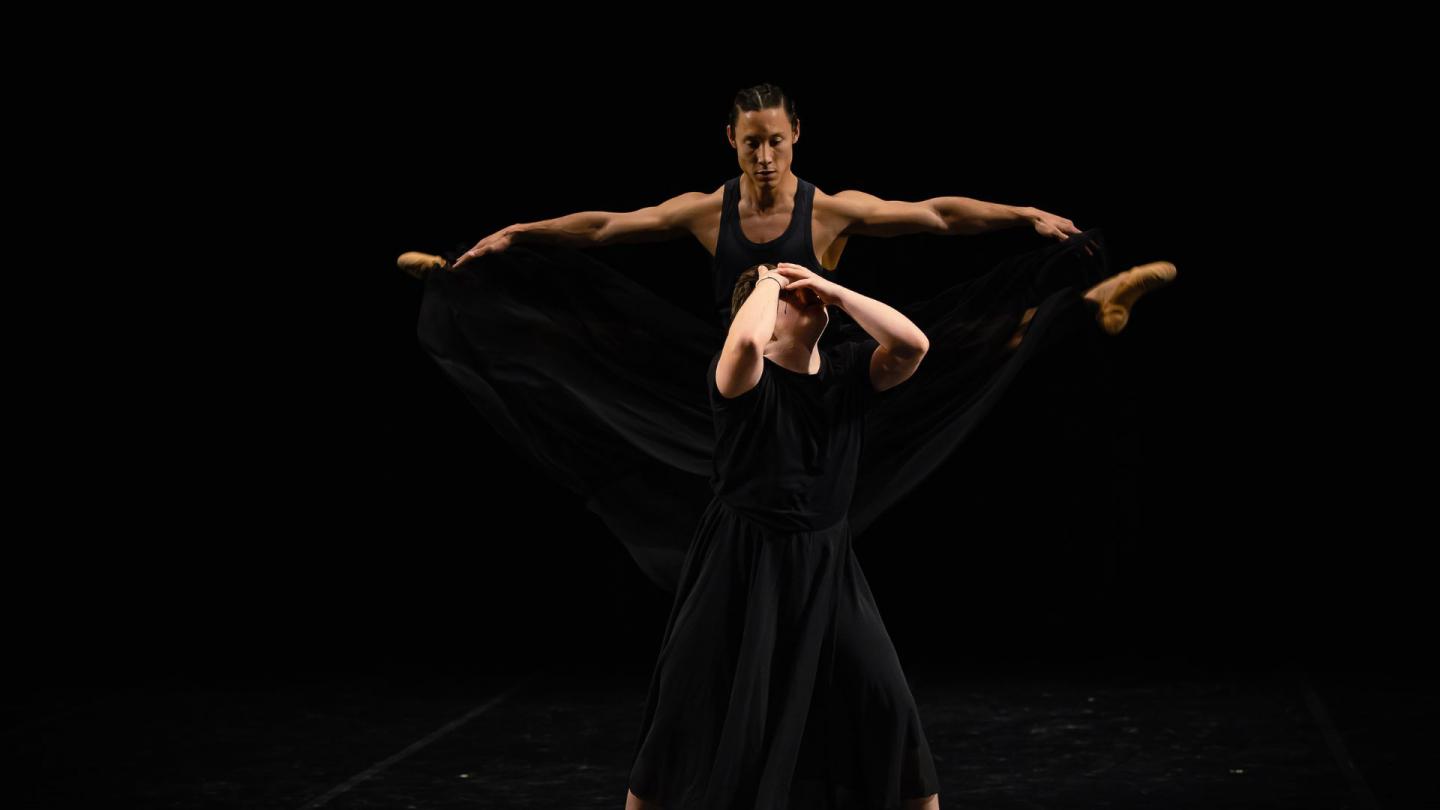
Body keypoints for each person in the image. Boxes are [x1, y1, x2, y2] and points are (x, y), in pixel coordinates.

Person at [401, 82, 1177, 595]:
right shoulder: (708, 211)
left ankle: (1088, 305)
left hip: (819, 383)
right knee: (600, 340)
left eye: (775, 140)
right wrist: (516, 232)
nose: (765, 157)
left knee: (952, 347)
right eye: (751, 144)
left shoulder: (829, 209)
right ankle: (466, 290)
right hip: (740, 383)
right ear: (731, 142)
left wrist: (1025, 214)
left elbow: (936, 215)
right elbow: (607, 227)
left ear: (796, 135)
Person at [625, 261, 941, 810]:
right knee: (687, 702)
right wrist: (767, 277)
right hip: (741, 561)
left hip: (826, 565)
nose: (804, 294)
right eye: (790, 296)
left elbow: (913, 345)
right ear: (767, 315)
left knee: (885, 698)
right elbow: (746, 341)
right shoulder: (742, 378)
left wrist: (837, 292)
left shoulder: (847, 371)